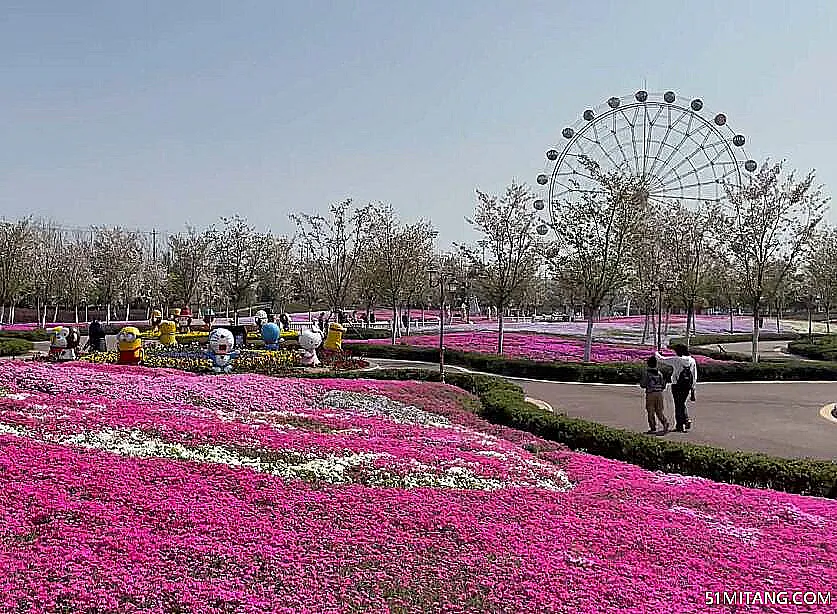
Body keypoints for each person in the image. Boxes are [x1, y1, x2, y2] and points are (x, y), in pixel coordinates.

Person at [655, 344, 697, 432]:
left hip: (677, 385)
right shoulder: (692, 360)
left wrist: (656, 353)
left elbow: (661, 359)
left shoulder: (676, 359)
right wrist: (693, 388)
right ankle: (683, 422)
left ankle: (682, 423)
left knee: (678, 404)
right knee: (681, 403)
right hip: (687, 386)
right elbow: (694, 375)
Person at [639, 356, 669, 435]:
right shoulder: (659, 373)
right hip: (659, 393)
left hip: (650, 393)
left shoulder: (646, 373)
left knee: (650, 411)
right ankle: (665, 422)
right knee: (659, 411)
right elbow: (663, 385)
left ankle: (653, 428)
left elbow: (643, 384)